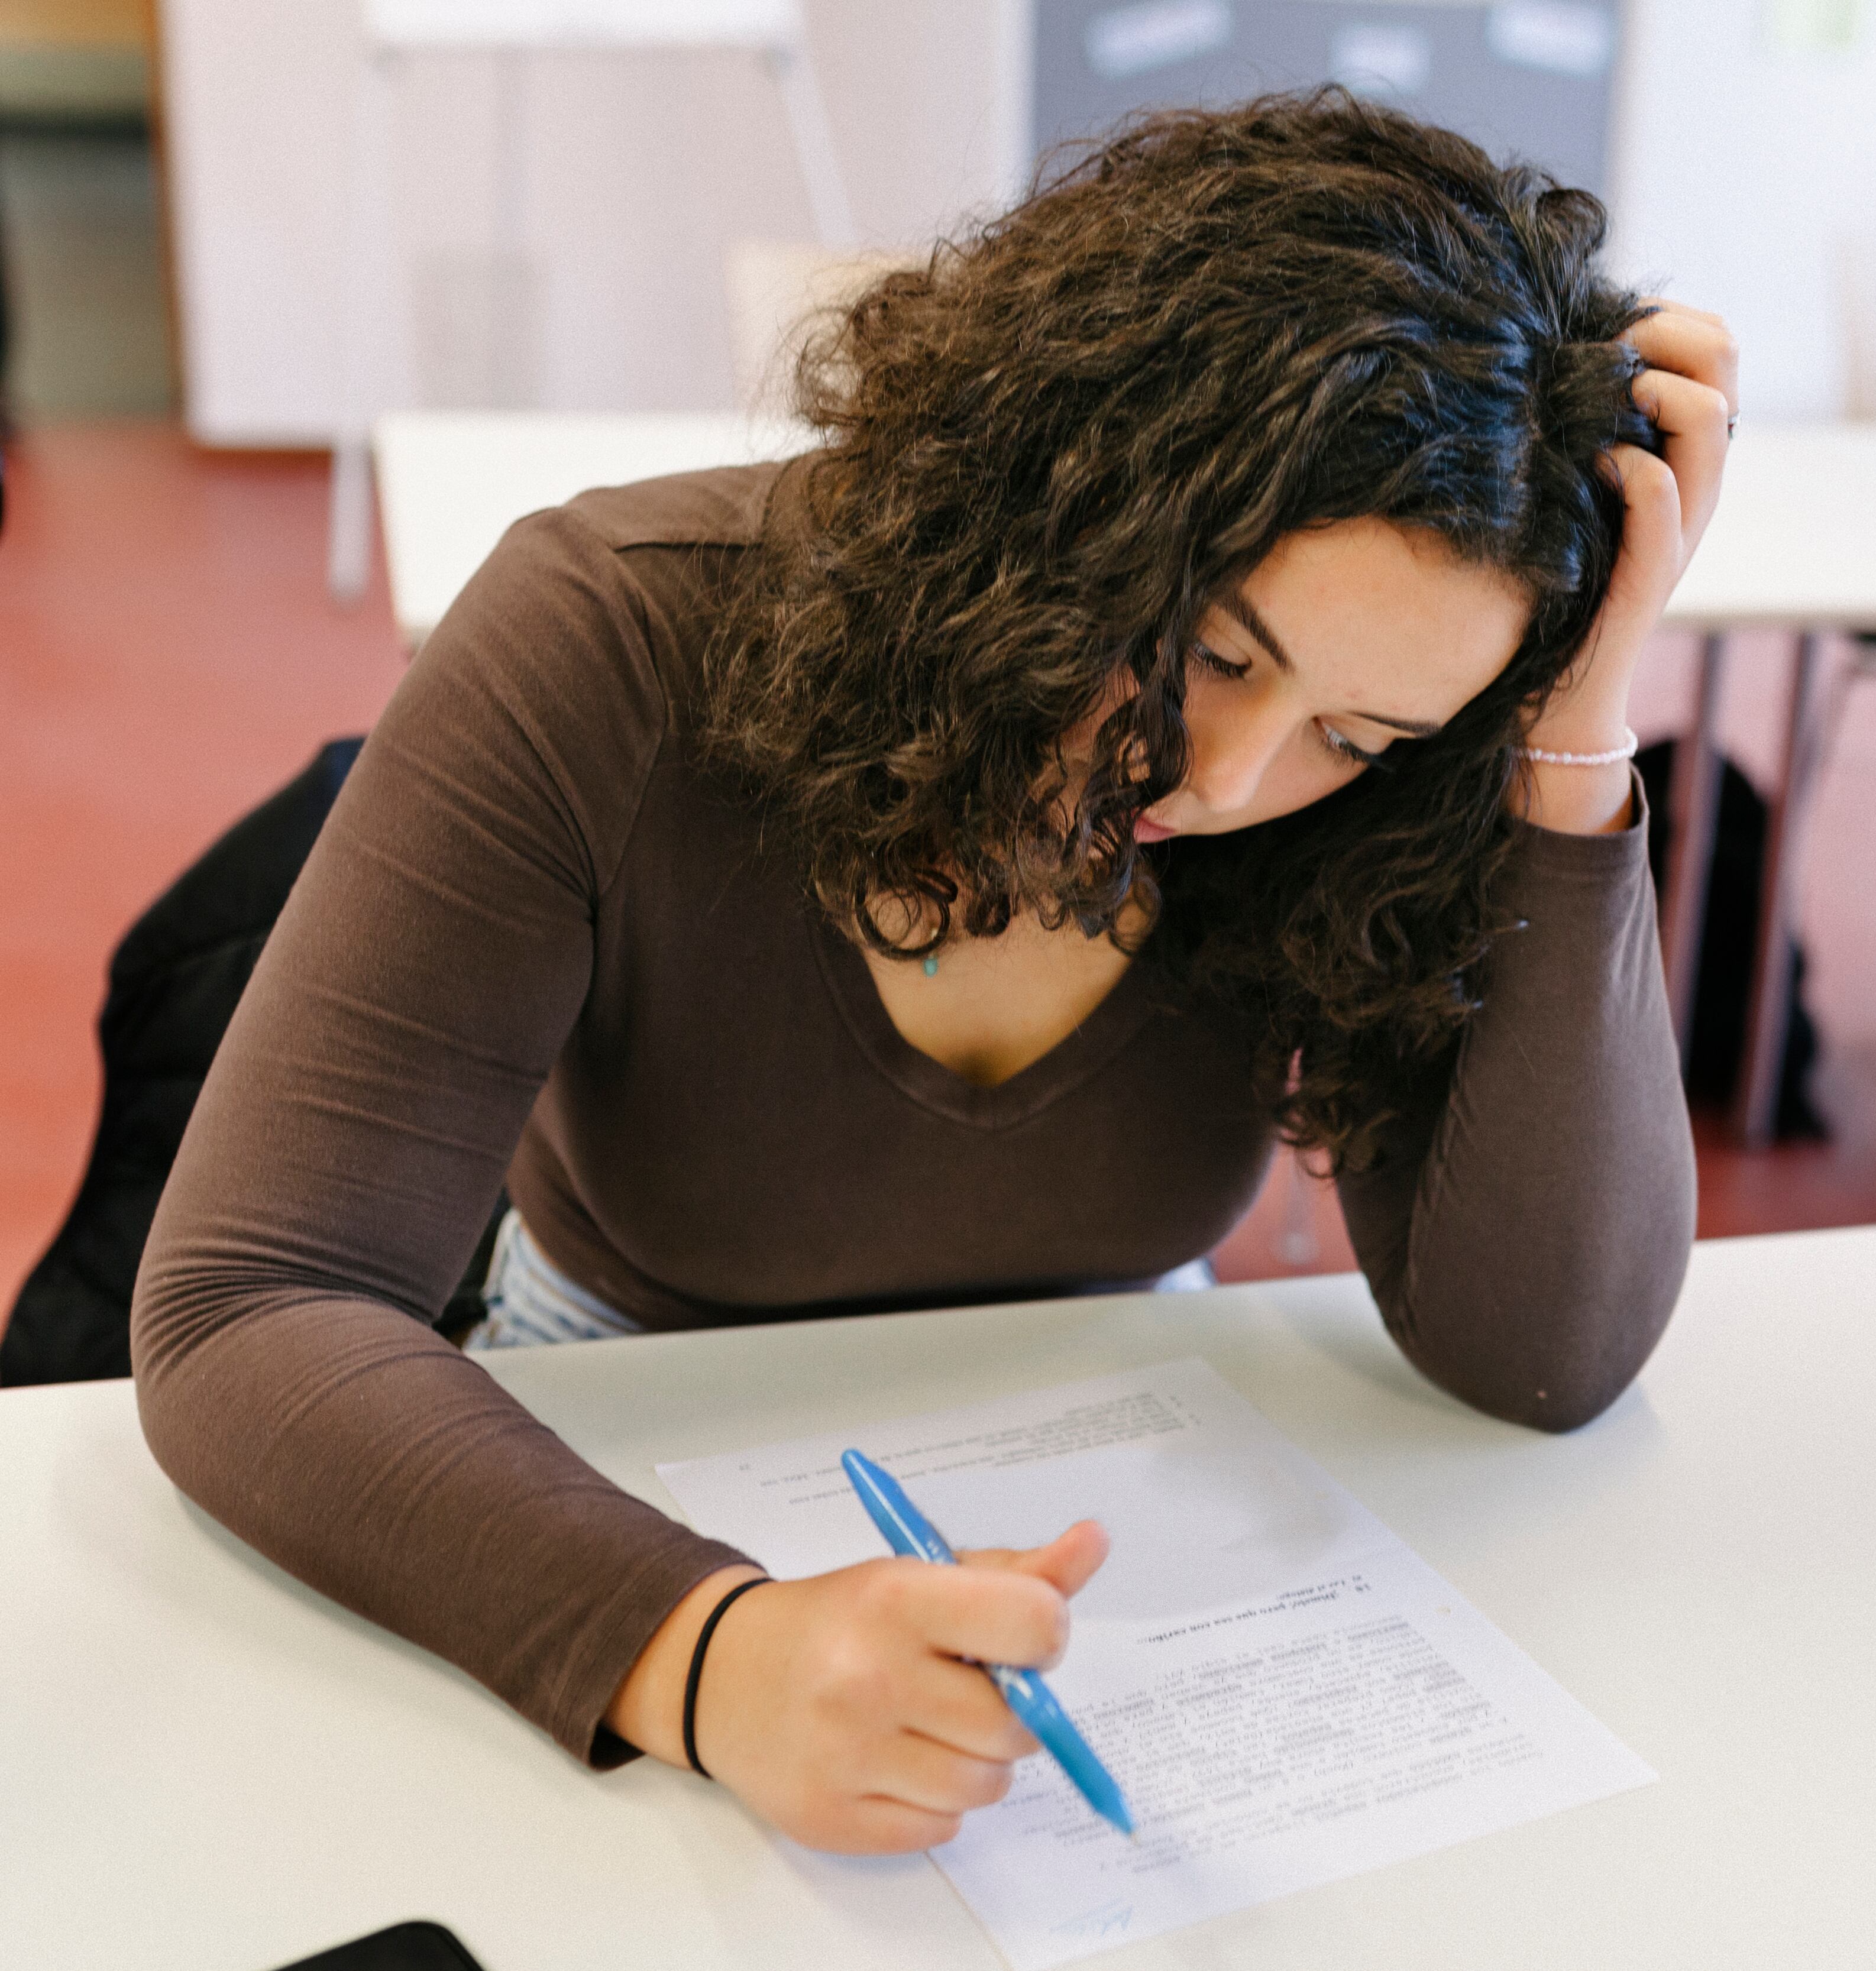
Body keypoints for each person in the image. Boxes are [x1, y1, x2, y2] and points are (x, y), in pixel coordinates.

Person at [131, 95, 1722, 1857]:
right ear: (1071, 478)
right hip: (601, 1452)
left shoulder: (1371, 809)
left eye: (1355, 727)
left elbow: (1550, 1350)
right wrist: (706, 1644)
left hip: (1118, 1488)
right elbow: (251, 1303)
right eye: (1207, 648)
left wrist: (1567, 736)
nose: (1232, 781)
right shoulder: (614, 633)